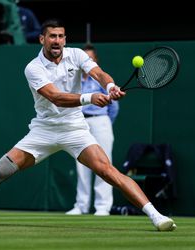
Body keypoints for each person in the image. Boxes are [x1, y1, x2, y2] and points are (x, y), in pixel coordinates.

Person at [0, 18, 176, 231]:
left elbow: (97, 72)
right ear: (42, 39)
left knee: (108, 171)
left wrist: (108, 85)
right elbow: (55, 97)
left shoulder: (76, 55)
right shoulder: (33, 67)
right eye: (52, 36)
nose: (57, 41)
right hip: (44, 130)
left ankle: (156, 216)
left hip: (75, 130)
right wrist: (90, 98)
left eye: (61, 36)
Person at [66, 44, 118, 216]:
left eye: (91, 58)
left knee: (104, 163)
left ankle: (103, 207)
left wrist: (104, 123)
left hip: (100, 122)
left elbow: (114, 108)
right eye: (85, 58)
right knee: (82, 165)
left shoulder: (101, 79)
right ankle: (81, 205)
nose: (87, 61)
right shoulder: (74, 79)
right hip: (80, 124)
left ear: (95, 61)